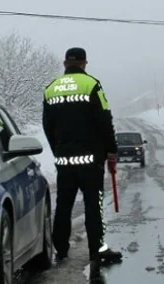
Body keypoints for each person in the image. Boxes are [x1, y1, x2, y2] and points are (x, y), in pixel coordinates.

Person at [42, 47, 123, 267]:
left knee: (64, 206)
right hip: (90, 161)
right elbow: (104, 120)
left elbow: (47, 126)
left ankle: (61, 250)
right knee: (93, 206)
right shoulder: (92, 85)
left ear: (64, 64)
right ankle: (97, 251)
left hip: (64, 161)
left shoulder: (51, 89)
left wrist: (58, 149)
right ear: (85, 64)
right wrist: (111, 150)